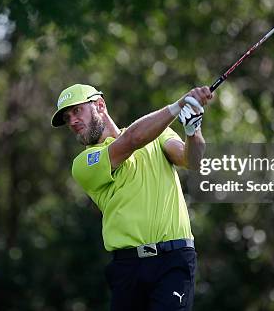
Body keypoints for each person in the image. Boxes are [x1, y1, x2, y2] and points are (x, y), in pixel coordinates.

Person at [51, 83, 213, 311]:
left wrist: (193, 132)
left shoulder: (159, 134)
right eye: (67, 118)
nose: (73, 121)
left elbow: (193, 161)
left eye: (77, 111)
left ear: (100, 105)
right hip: (128, 267)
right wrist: (178, 106)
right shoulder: (84, 164)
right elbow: (131, 140)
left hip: (174, 261)